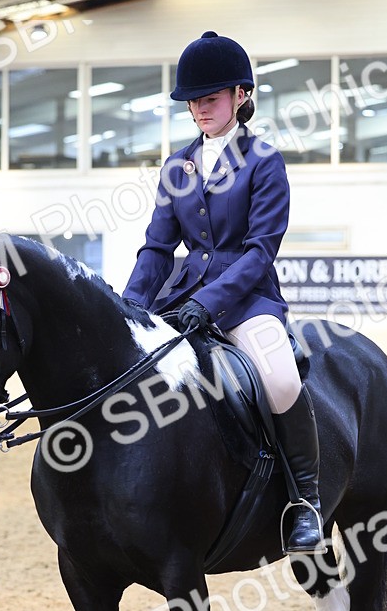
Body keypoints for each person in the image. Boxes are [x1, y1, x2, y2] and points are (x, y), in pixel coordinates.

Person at [123, 30, 323, 553]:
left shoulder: (263, 160)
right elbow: (157, 248)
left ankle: (306, 503)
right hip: (180, 296)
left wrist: (208, 303)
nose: (199, 109)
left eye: (209, 98)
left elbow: (261, 251)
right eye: (193, 101)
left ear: (240, 95)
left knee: (280, 380)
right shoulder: (178, 166)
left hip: (248, 297)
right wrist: (130, 307)